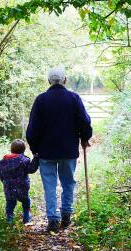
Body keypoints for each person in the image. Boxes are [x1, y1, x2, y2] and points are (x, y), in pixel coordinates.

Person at [26, 67, 92, 232]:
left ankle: (53, 220)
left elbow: (32, 130)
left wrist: (35, 150)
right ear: (65, 80)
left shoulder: (41, 100)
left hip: (46, 151)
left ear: (49, 81)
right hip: (68, 150)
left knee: (49, 185)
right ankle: (66, 215)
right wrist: (85, 137)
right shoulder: (74, 98)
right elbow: (84, 121)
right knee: (68, 182)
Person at [0, 139, 40, 224]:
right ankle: (26, 217)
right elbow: (31, 170)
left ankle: (9, 219)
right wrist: (36, 158)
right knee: (26, 201)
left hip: (8, 187)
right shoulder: (24, 160)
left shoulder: (3, 162)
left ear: (11, 149)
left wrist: (5, 182)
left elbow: (0, 173)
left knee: (10, 203)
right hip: (22, 187)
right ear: (23, 150)